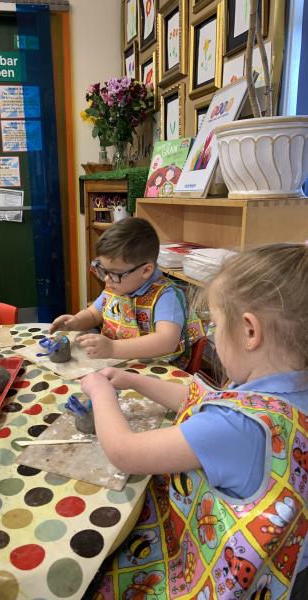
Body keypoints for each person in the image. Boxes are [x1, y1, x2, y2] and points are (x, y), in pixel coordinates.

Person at [81, 243, 308, 599]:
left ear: (250, 332)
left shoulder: (236, 427)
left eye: (215, 325)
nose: (213, 336)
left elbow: (125, 451)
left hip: (212, 574)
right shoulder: (288, 387)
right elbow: (203, 399)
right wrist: (133, 380)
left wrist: (100, 393)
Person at [50, 217, 186, 361]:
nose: (107, 279)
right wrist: (76, 321)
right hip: (117, 362)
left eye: (115, 274)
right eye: (105, 271)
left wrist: (113, 348)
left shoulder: (166, 297)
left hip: (152, 368)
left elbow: (166, 342)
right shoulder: (116, 287)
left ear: (146, 270)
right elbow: (94, 314)